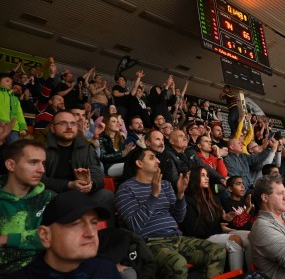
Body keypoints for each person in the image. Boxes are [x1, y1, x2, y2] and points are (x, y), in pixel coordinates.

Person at [114, 147, 226, 279]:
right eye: (151, 158)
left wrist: (180, 196)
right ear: (139, 164)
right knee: (178, 264)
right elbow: (135, 226)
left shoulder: (165, 185)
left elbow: (179, 217)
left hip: (176, 238)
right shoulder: (125, 189)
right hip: (149, 243)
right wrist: (154, 196)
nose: (157, 161)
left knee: (217, 251)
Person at [9, 190, 122, 279]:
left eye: (94, 223)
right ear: (45, 235)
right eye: (76, 224)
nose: (91, 233)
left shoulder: (106, 270)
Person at [42, 111, 115, 225]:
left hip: (83, 195)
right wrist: (69, 185)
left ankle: (104, 237)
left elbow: (98, 174)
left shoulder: (86, 148)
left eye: (73, 123)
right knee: (48, 195)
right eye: (63, 123)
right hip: (56, 196)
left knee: (106, 195)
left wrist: (90, 184)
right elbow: (39, 180)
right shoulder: (42, 149)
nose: (69, 127)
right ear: (52, 128)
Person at [0, 140, 55, 276]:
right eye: (33, 162)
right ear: (11, 165)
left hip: (46, 269)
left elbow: (57, 237)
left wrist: (7, 239)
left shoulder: (49, 198)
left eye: (43, 163)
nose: (41, 169)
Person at [182, 166, 251, 271]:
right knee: (235, 241)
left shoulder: (211, 198)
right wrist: (219, 227)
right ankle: (237, 275)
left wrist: (225, 219)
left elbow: (215, 221)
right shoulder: (188, 200)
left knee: (251, 236)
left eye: (207, 175)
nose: (207, 178)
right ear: (194, 178)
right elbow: (194, 230)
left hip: (216, 233)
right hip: (201, 239)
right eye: (203, 175)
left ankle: (251, 273)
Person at [0, 74, 27, 144]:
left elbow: (20, 114)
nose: (10, 83)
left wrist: (23, 127)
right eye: (7, 81)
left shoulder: (15, 99)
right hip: (1, 126)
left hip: (14, 128)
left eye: (11, 82)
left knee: (14, 151)